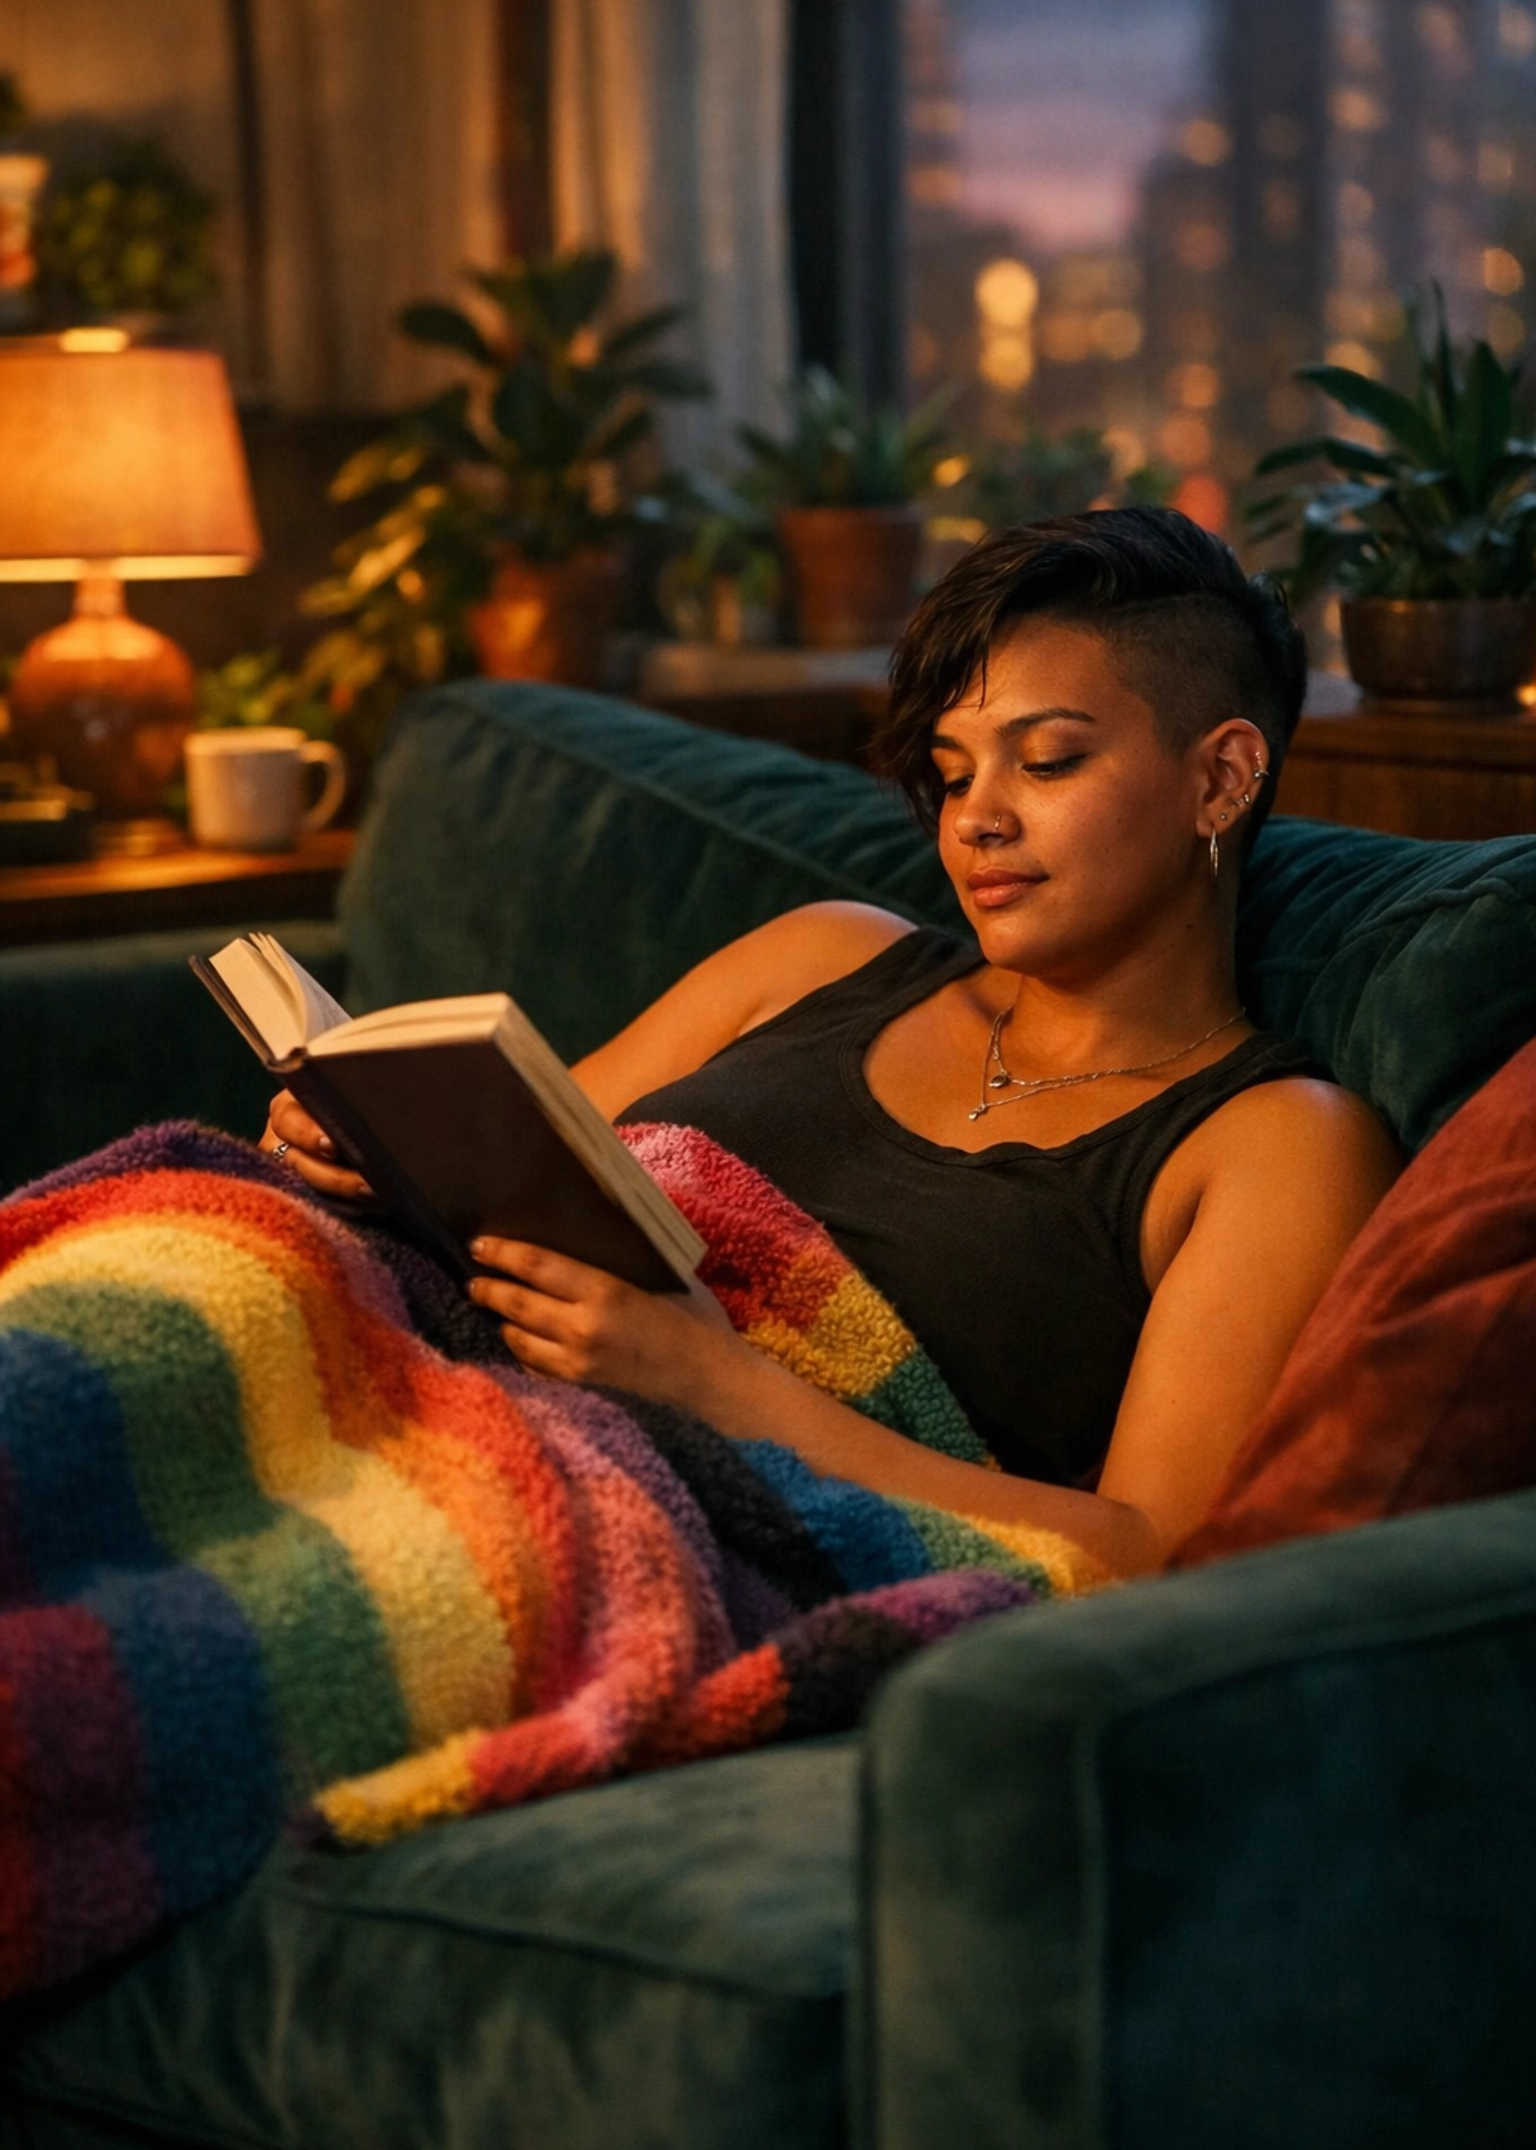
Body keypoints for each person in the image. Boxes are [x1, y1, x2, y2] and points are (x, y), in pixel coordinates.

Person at [262, 510, 1400, 1579]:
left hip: (648, 1531)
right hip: (432, 1394)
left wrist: (719, 1385)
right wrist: (369, 1144)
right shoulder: (824, 955)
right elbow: (517, 1160)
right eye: (953, 773)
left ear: (1221, 777)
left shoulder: (1275, 1144)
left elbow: (1150, 1552)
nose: (976, 817)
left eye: (1047, 760)